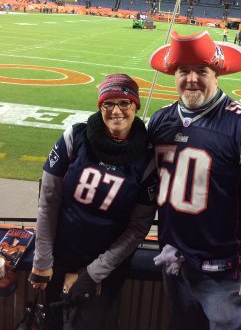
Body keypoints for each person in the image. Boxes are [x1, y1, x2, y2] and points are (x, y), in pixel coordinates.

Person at [148, 31, 241, 330]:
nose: (191, 79)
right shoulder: (160, 120)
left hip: (227, 271)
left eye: (202, 71)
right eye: (183, 71)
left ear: (217, 75)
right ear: (174, 74)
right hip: (176, 262)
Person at [29, 74, 157, 330]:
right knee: (51, 323)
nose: (116, 110)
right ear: (100, 106)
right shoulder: (75, 136)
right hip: (60, 254)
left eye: (125, 102)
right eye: (108, 103)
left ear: (136, 106)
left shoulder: (148, 158)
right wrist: (42, 260)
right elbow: (48, 202)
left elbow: (138, 228)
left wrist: (92, 273)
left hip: (105, 264)